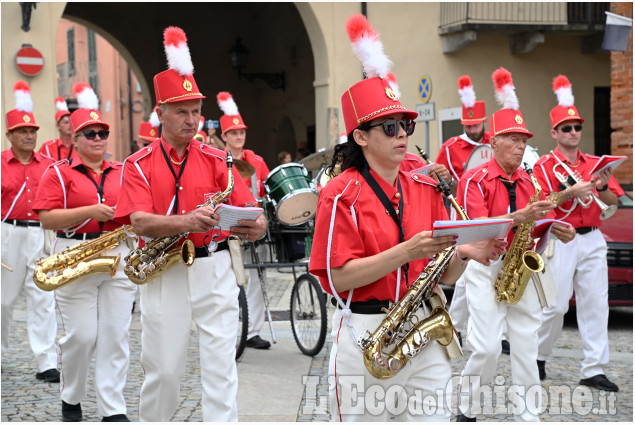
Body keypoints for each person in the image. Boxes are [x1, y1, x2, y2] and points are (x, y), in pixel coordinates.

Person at [309, 15, 505, 422]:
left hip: (422, 326)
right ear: (360, 137)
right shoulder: (340, 193)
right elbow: (337, 277)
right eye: (391, 126)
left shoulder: (424, 184)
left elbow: (442, 275)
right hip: (367, 333)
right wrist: (405, 251)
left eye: (407, 125)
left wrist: (464, 252)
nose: (403, 133)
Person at [114, 27, 267, 422]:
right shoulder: (138, 164)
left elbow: (250, 210)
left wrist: (258, 225)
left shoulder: (219, 161)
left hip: (213, 265)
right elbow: (140, 221)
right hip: (165, 269)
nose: (191, 119)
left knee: (221, 368)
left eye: (196, 110)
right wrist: (186, 220)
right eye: (181, 110)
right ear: (160, 111)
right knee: (163, 371)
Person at [454, 68, 576, 422]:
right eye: (512, 139)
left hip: (520, 266)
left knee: (526, 345)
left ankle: (529, 414)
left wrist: (554, 230)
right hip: (485, 266)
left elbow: (535, 229)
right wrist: (519, 217)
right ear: (494, 142)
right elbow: (475, 231)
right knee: (488, 347)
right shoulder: (474, 180)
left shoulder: (531, 181)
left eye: (523, 139)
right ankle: (467, 406)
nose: (521, 146)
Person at [33, 82, 137, 422]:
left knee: (116, 336)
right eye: (89, 133)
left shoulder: (123, 171)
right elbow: (47, 218)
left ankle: (113, 408)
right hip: (75, 253)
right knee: (82, 335)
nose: (97, 139)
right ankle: (72, 394)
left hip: (117, 252)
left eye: (102, 133)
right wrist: (89, 212)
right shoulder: (57, 173)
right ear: (75, 139)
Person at [533, 75, 623, 392]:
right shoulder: (544, 166)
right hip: (560, 238)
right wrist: (571, 192)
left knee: (596, 303)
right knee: (556, 306)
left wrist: (601, 186)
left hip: (593, 236)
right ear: (554, 133)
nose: (574, 132)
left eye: (577, 127)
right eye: (567, 128)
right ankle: (538, 355)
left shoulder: (596, 164)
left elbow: (613, 200)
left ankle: (593, 369)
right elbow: (541, 206)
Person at [1, 81, 59, 384]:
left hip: (40, 233)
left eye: (33, 131)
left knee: (43, 297)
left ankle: (46, 360)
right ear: (9, 135)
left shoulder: (49, 166)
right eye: (23, 132)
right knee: (3, 298)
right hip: (7, 233)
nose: (29, 136)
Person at [217, 91, 272, 349]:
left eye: (242, 132)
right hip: (231, 228)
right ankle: (231, 329)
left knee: (258, 280)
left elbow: (266, 191)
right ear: (224, 137)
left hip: (255, 227)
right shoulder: (219, 160)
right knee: (232, 279)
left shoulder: (258, 161)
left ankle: (253, 332)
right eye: (234, 133)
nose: (239, 136)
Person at [38, 97, 80, 162]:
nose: (69, 125)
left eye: (71, 122)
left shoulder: (79, 145)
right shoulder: (48, 146)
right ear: (58, 125)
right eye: (66, 122)